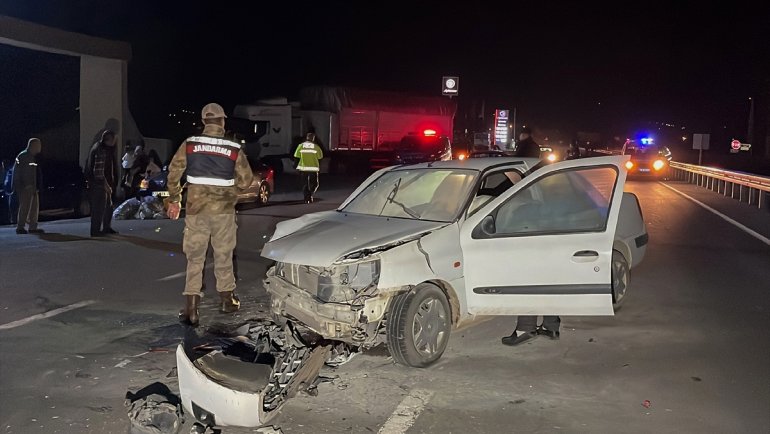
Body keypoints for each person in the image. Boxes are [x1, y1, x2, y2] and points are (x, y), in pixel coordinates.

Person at [167, 103, 253, 326]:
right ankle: (227, 300)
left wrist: (174, 199)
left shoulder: (190, 144)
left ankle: (191, 309)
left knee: (195, 258)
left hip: (196, 211)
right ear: (223, 121)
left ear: (204, 122)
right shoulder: (233, 148)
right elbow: (246, 181)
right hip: (223, 211)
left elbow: (174, 172)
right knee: (223, 255)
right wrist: (231, 191)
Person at [85, 130, 119, 237]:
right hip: (99, 185)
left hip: (102, 183)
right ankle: (96, 231)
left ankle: (106, 228)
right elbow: (98, 172)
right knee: (98, 208)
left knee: (108, 206)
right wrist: (107, 186)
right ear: (109, 140)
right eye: (114, 139)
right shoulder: (100, 150)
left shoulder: (102, 148)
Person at [13, 138, 44, 234]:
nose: (40, 148)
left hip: (32, 186)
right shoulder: (25, 156)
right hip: (26, 187)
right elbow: (25, 173)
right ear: (33, 146)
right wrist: (28, 185)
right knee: (25, 206)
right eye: (38, 145)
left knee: (34, 207)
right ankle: (20, 227)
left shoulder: (31, 156)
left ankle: (32, 227)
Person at [293, 132, 324, 203]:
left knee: (305, 184)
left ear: (307, 138)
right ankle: (310, 195)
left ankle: (306, 197)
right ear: (313, 138)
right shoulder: (316, 147)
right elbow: (320, 157)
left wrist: (295, 166)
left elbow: (296, 157)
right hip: (313, 169)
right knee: (315, 184)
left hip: (303, 168)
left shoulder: (301, 146)